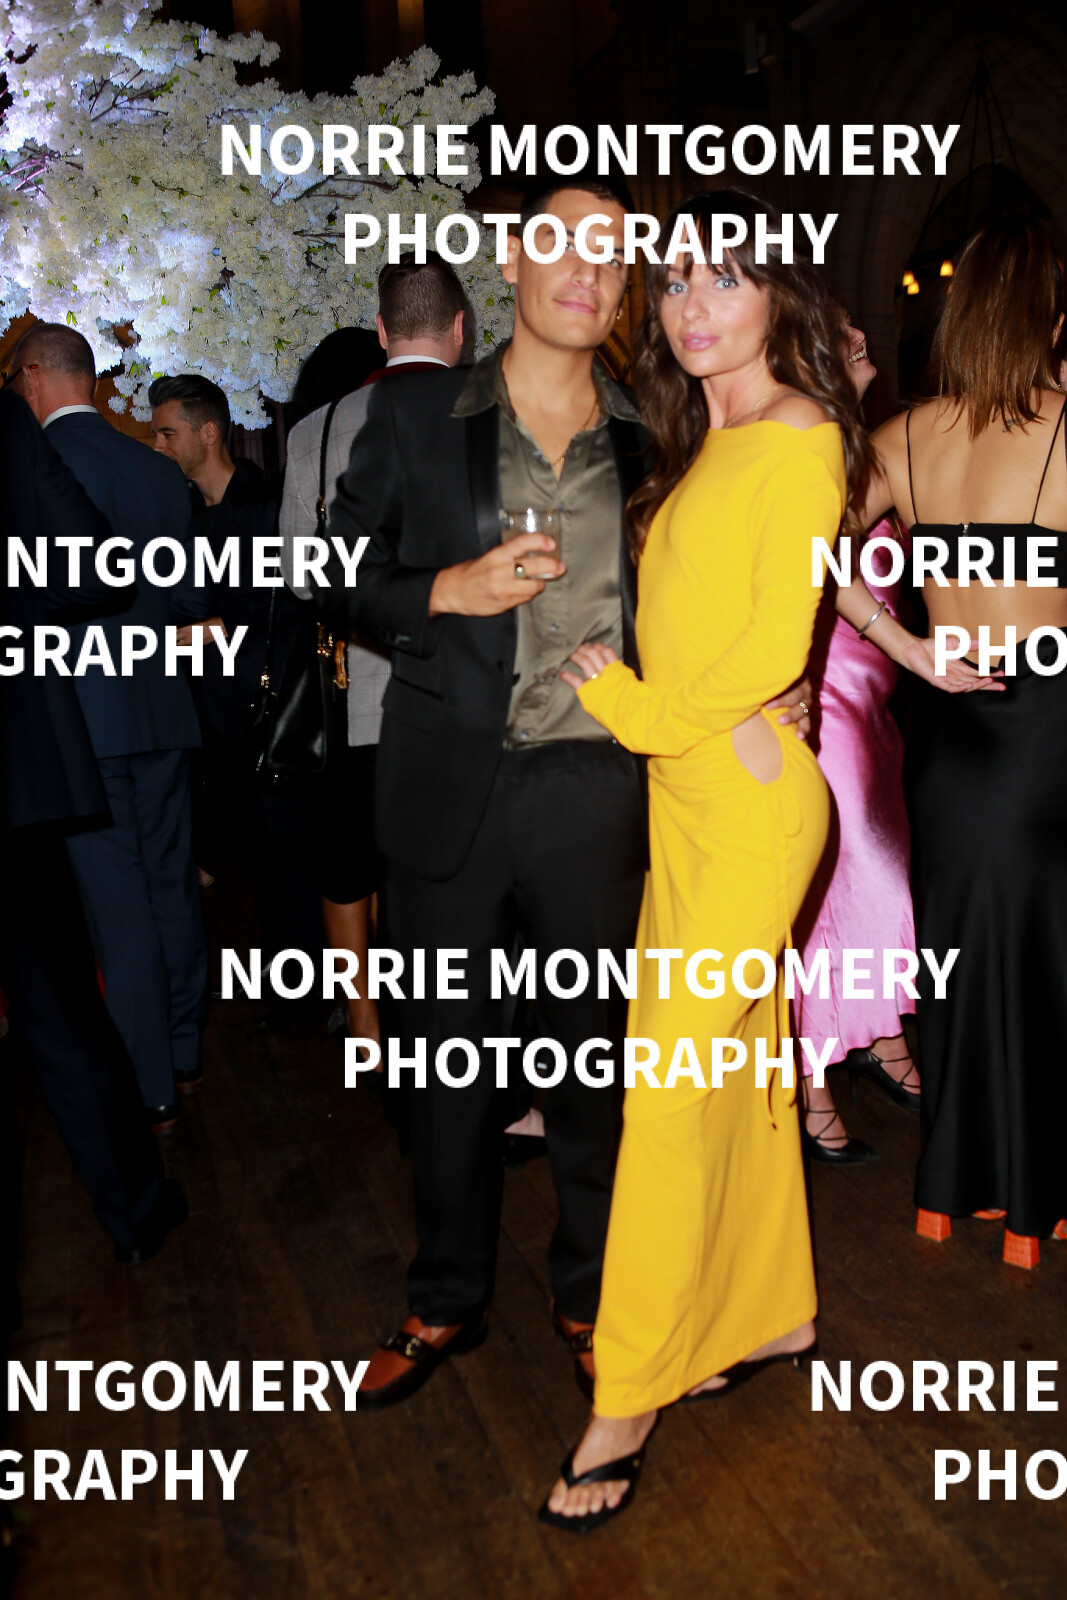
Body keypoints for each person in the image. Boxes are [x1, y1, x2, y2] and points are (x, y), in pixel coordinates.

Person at [312, 176, 815, 1410]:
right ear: (512, 259)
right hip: (447, 785)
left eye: (613, 254)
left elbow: (738, 563)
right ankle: (444, 1294)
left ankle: (597, 1294)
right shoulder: (417, 414)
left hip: (599, 787)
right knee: (447, 1066)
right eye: (562, 243)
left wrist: (785, 676)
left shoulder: (657, 425)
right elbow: (330, 572)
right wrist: (445, 591)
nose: (586, 271)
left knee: (593, 1068)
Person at [541, 189, 873, 1530]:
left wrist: (629, 708)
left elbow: (768, 650)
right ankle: (772, 1310)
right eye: (673, 279)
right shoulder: (706, 435)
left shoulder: (798, 437)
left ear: (777, 297)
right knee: (730, 1078)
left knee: (667, 1097)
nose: (688, 303)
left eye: (722, 278)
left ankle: (624, 1395)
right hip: (687, 802)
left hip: (742, 810)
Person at [836, 214, 1067, 1264]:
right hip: (1045, 729)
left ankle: (952, 1187)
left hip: (948, 735)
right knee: (1044, 962)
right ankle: (1032, 1198)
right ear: (1049, 321)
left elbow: (809, 551)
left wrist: (899, 642)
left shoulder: (903, 436)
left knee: (964, 962)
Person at [0, 384, 186, 1270]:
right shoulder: (8, 427)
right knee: (61, 1006)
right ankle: (135, 1210)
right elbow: (97, 571)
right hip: (23, 760)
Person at [7, 323, 210, 1132]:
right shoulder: (158, 470)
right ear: (88, 380)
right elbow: (191, 604)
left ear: (31, 379)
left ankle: (148, 1084)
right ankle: (185, 1052)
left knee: (117, 906)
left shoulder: (36, 468)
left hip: (82, 721)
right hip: (163, 708)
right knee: (172, 888)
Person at [281, 253, 467, 1048]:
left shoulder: (316, 432)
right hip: (467, 693)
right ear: (460, 329)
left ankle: (365, 1023)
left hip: (356, 691)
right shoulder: (498, 415)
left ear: (383, 331)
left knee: (351, 861)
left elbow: (300, 576)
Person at [794, 321, 920, 1163]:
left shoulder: (868, 442)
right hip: (830, 690)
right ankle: (808, 1081)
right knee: (836, 883)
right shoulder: (810, 447)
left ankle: (878, 1035)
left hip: (876, 704)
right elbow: (814, 562)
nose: (860, 332)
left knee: (876, 878)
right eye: (840, 330)